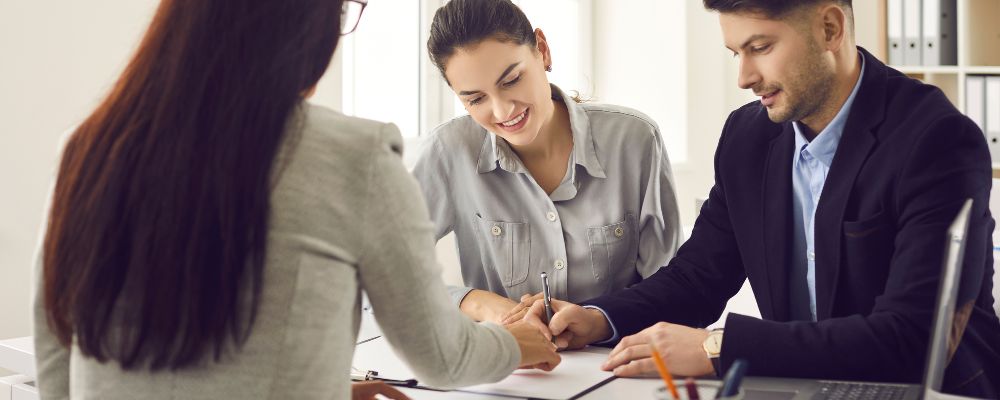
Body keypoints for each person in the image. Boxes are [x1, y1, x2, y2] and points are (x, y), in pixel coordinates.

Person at [32, 0, 560, 399]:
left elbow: (57, 357)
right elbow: (444, 358)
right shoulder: (357, 154)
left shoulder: (87, 146)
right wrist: (517, 344)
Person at [523, 0, 1000, 397]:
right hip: (804, 386)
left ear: (829, 29)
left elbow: (912, 336)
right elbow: (699, 277)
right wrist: (597, 318)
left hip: (929, 389)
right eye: (736, 53)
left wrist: (718, 347)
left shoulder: (935, 140)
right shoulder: (748, 137)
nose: (745, 78)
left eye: (761, 48)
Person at [413, 0, 682, 325]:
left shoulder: (635, 140)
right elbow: (379, 272)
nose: (502, 112)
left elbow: (672, 289)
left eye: (511, 80)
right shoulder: (448, 151)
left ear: (542, 50)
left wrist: (599, 322)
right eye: (475, 99)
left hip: (620, 363)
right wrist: (479, 304)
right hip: (508, 367)